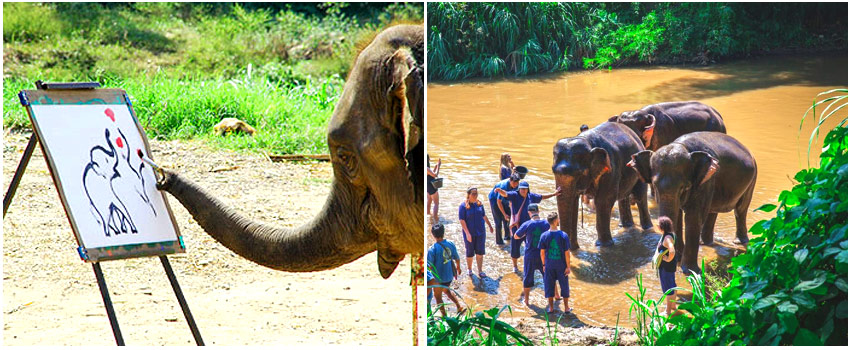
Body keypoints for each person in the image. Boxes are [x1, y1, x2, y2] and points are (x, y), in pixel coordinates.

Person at [495, 181, 561, 272]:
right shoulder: (515, 195)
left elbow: (542, 197)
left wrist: (554, 194)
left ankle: (533, 264)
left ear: (527, 189)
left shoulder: (531, 196)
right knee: (515, 247)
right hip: (517, 227)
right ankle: (515, 266)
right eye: (521, 188)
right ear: (519, 189)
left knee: (531, 247)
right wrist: (500, 191)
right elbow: (506, 194)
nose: (523, 190)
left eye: (525, 189)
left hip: (530, 227)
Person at [513, 203, 551, 306]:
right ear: (538, 211)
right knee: (548, 277)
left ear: (529, 213)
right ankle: (555, 296)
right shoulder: (546, 223)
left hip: (530, 255)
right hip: (544, 255)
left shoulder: (527, 224)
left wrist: (524, 233)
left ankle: (526, 301)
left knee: (528, 278)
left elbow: (516, 236)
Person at [427, 223, 464, 317]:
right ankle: (459, 306)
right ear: (443, 232)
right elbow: (457, 258)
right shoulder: (450, 244)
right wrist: (458, 268)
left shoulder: (432, 249)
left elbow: (429, 266)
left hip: (438, 279)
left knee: (438, 297)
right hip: (449, 276)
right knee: (447, 290)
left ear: (433, 234)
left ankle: (445, 317)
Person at [538, 212, 571, 314]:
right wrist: (568, 267)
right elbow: (567, 253)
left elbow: (542, 253)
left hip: (549, 265)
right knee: (564, 286)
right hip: (561, 266)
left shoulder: (544, 236)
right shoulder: (563, 235)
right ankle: (566, 308)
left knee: (549, 286)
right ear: (556, 221)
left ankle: (551, 308)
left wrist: (544, 265)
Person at [458, 187, 494, 277]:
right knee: (470, 252)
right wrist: (467, 233)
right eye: (473, 194)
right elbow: (462, 220)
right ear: (468, 195)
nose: (475, 195)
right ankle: (469, 269)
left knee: (480, 252)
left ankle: (480, 270)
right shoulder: (463, 206)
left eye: (476, 194)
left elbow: (483, 215)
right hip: (469, 233)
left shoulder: (479, 204)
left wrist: (490, 225)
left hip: (480, 232)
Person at [487, 174, 520, 246]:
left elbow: (513, 197)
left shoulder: (517, 186)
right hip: (495, 200)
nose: (515, 185)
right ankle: (499, 242)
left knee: (508, 219)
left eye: (517, 183)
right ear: (510, 181)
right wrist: (504, 214)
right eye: (514, 183)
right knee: (498, 222)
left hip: (505, 199)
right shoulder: (504, 186)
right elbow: (499, 202)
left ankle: (507, 237)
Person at [655, 216, 678, 316]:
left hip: (666, 266)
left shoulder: (667, 238)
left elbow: (672, 250)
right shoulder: (671, 234)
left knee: (668, 288)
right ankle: (673, 306)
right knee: (672, 284)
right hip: (671, 265)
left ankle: (668, 311)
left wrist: (668, 259)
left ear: (662, 227)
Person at [427, 154, 441, 224]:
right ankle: (435, 218)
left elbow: (431, 174)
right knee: (436, 203)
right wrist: (439, 166)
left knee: (429, 200)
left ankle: (428, 214)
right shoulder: (426, 168)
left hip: (427, 187)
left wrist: (436, 166)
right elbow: (435, 175)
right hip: (431, 186)